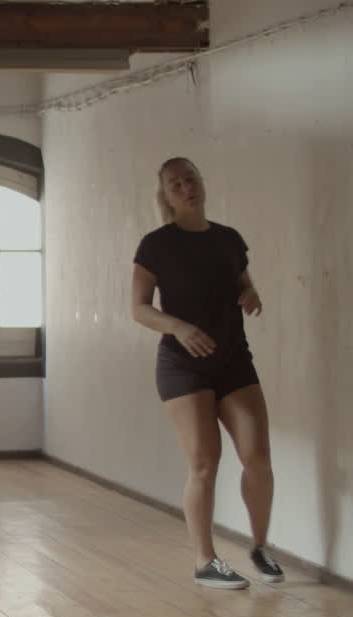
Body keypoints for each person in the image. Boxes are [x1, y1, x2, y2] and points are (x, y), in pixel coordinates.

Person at [130, 157, 284, 589]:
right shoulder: (156, 244)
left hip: (234, 360)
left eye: (191, 179)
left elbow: (242, 281)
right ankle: (205, 561)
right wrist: (178, 326)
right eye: (175, 184)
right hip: (182, 366)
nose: (186, 188)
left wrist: (250, 293)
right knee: (204, 463)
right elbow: (138, 308)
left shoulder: (228, 239)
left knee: (257, 459)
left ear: (202, 183)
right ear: (166, 195)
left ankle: (259, 546)